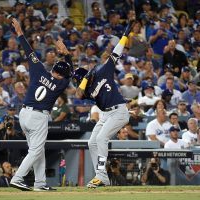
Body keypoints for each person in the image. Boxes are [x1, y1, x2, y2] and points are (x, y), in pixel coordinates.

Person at [9, 18, 73, 191]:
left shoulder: (39, 70)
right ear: (61, 74)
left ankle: (40, 183)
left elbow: (29, 51)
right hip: (39, 117)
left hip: (24, 114)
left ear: (53, 70)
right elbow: (71, 73)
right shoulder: (60, 84)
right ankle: (17, 177)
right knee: (36, 150)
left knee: (37, 150)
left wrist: (20, 33)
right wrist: (66, 54)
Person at [73, 21, 134, 188]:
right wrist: (85, 80)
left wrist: (124, 37)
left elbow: (116, 54)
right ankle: (103, 177)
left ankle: (100, 175)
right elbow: (78, 93)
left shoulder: (102, 70)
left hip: (118, 112)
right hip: (106, 114)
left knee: (101, 139)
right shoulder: (84, 90)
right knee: (91, 142)